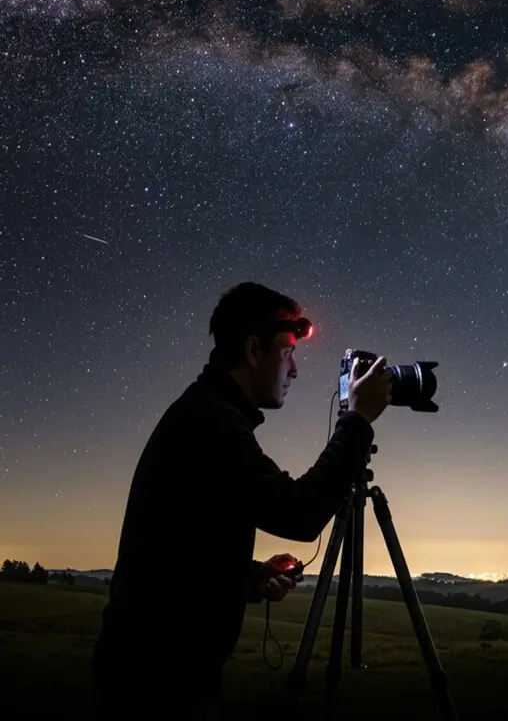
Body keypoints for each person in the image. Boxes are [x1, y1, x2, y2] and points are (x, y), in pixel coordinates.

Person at [92, 282, 394, 720]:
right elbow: (300, 512)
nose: (294, 371)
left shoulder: (207, 413)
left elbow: (177, 550)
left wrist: (249, 577)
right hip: (154, 682)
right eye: (288, 352)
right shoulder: (212, 423)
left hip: (153, 667)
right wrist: (357, 421)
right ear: (254, 350)